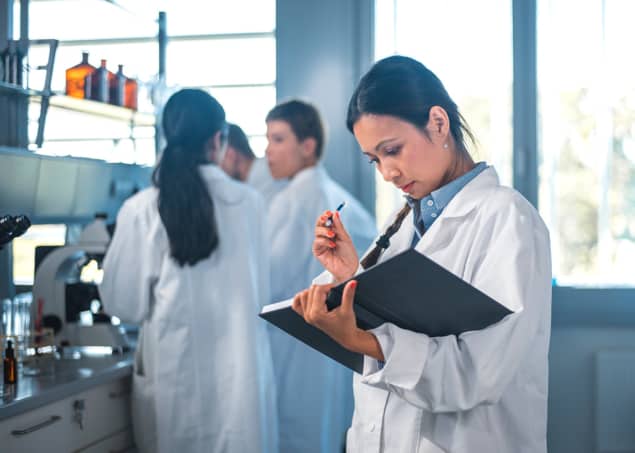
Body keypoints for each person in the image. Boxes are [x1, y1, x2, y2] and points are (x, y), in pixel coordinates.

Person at [292, 55, 552, 453]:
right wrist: (349, 279)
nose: (387, 173)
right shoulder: (400, 227)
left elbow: (478, 373)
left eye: (392, 150)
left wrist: (369, 341)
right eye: (375, 159)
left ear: (438, 123)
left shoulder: (508, 220)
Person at [99, 89, 279, 453]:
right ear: (217, 141)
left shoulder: (142, 208)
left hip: (174, 386)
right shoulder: (250, 203)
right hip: (241, 392)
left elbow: (125, 305)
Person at [264, 99, 377, 453]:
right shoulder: (341, 199)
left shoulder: (292, 201)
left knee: (297, 434)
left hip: (297, 345)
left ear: (307, 146)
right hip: (335, 349)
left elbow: (268, 280)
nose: (267, 151)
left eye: (278, 139)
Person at [219, 122, 287, 204]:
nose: (217, 169)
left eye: (218, 160)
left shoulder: (269, 175)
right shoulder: (255, 177)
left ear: (231, 154)